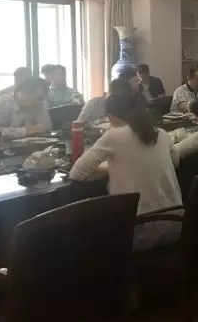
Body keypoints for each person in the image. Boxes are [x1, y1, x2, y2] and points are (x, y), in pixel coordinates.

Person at [69, 94, 182, 251]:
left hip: (138, 231)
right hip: (176, 224)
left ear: (111, 117)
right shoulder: (161, 133)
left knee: (83, 234)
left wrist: (110, 168)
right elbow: (175, 162)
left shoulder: (114, 135)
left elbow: (76, 173)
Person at [0, 77, 52, 141]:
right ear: (23, 93)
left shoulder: (38, 104)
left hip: (29, 147)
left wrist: (36, 129)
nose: (39, 102)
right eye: (37, 99)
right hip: (0, 148)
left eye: (42, 99)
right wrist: (27, 131)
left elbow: (46, 126)